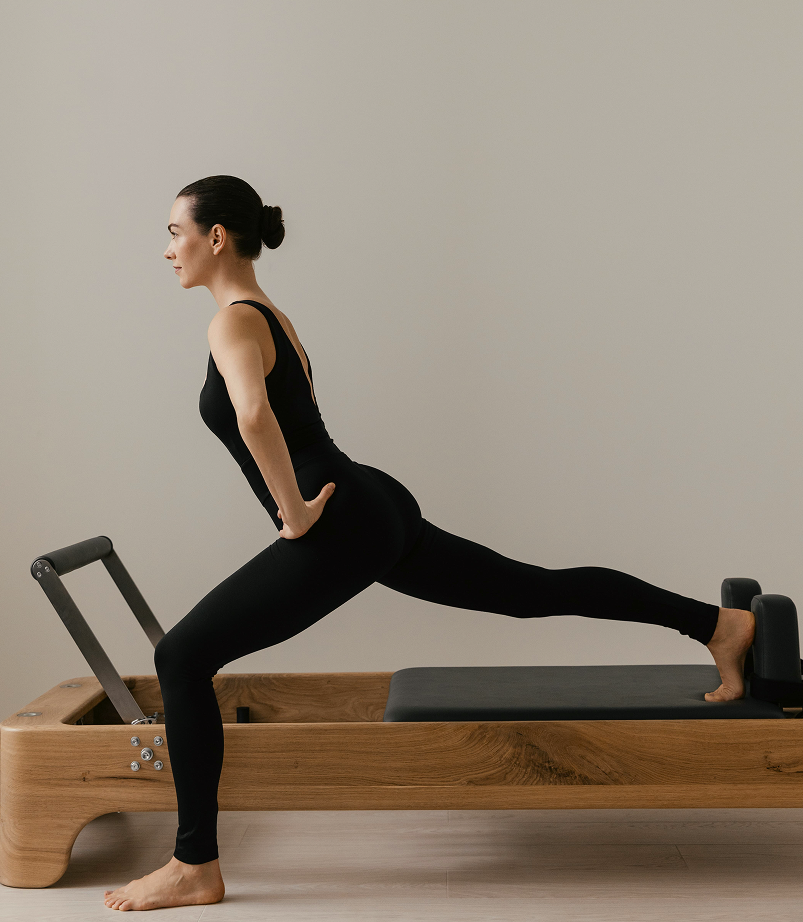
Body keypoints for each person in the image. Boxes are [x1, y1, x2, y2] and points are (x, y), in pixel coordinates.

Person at [104, 174, 755, 912]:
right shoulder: (268, 317)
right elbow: (284, 419)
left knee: (180, 656)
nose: (166, 251)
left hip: (343, 518)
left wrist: (293, 512)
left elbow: (255, 416)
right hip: (372, 502)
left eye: (172, 233)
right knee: (531, 590)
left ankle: (195, 864)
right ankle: (718, 623)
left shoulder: (230, 322)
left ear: (214, 236)